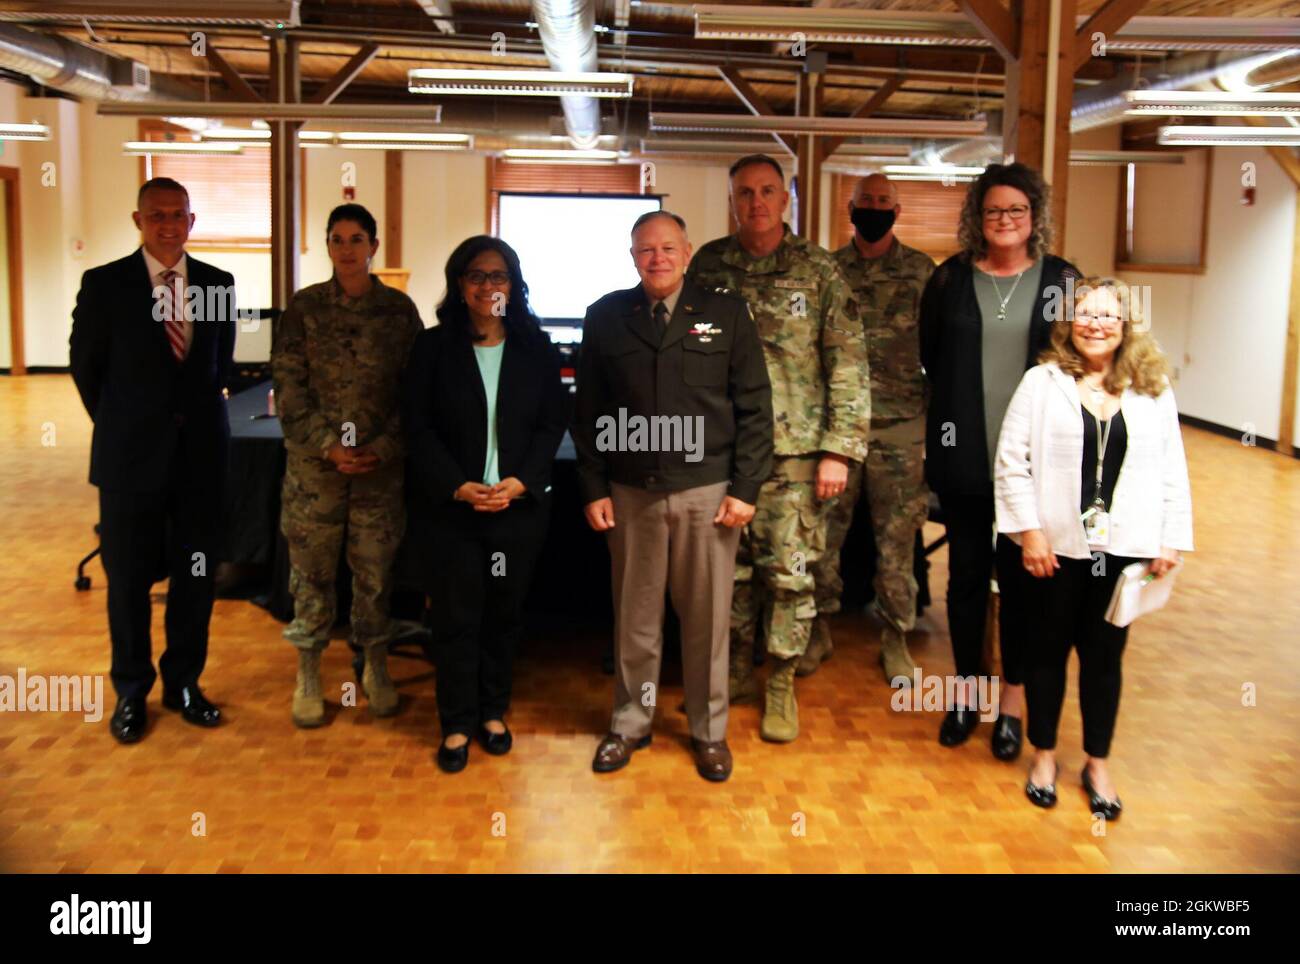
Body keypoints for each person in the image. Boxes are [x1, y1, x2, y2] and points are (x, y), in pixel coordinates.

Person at [574, 211, 773, 781]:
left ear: (688, 252)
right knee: (635, 622)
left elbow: (757, 408)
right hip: (631, 492)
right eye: (645, 250)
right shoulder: (607, 317)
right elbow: (587, 413)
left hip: (707, 495)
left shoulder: (725, 313)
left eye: (667, 248)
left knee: (708, 622)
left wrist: (745, 488)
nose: (656, 258)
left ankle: (709, 732)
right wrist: (592, 486)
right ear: (631, 256)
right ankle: (631, 722)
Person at [688, 155, 870, 743]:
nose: (756, 202)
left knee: (790, 575)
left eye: (768, 191)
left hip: (796, 452)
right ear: (732, 200)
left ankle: (781, 679)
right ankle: (738, 668)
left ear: (786, 198)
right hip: (723, 450)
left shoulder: (817, 270)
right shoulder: (710, 264)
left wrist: (838, 450)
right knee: (730, 575)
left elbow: (846, 361)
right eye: (745, 193)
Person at [996, 278, 1192, 819]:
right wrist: (1029, 532)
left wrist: (1171, 538)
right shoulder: (1042, 382)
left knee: (1105, 660)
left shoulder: (1152, 389)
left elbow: (1173, 469)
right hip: (1053, 548)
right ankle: (1044, 756)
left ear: (1126, 325)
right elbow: (1011, 462)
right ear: (1068, 323)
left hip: (1125, 548)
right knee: (1047, 653)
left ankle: (1097, 763)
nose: (1096, 324)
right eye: (1084, 314)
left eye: (1108, 315)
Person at [919, 162, 1082, 758]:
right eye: (993, 211)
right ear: (977, 219)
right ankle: (967, 693)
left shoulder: (1062, 279)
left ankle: (1011, 703)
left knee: (1020, 588)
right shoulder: (950, 280)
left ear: (1033, 216)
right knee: (964, 580)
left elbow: (1081, 361)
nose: (1005, 220)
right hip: (963, 455)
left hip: (1036, 468)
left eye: (1016, 210)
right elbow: (932, 357)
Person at [69, 176, 235, 743]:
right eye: (157, 214)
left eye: (179, 214)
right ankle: (132, 692)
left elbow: (219, 368)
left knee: (195, 578)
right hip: (129, 464)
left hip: (199, 463)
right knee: (129, 581)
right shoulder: (106, 285)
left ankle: (185, 683)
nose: (169, 224)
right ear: (138, 221)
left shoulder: (217, 284)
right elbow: (87, 371)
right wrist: (124, 426)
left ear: (192, 221)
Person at [403, 236, 566, 774]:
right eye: (477, 275)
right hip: (452, 512)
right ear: (459, 284)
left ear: (513, 285)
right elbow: (417, 429)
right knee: (454, 618)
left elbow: (551, 425)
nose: (488, 286)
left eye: (499, 276)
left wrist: (522, 481)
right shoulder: (431, 349)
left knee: (502, 615)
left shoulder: (536, 348)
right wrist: (456, 484)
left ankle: (492, 712)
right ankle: (455, 721)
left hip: (517, 509)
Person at [272, 203, 423, 728]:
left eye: (357, 239)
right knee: (310, 575)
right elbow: (288, 388)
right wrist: (327, 445)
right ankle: (309, 670)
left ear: (373, 246)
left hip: (379, 471)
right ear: (328, 246)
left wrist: (383, 445)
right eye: (337, 239)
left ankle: (375, 664)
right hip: (318, 472)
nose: (347, 249)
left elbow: (417, 395)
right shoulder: (305, 308)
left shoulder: (400, 313)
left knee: (375, 574)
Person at [810, 172, 934, 684]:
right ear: (852, 209)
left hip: (900, 425)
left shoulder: (923, 272)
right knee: (823, 534)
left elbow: (942, 348)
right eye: (867, 202)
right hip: (838, 427)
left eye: (884, 202)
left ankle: (895, 636)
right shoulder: (829, 270)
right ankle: (817, 626)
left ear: (898, 212)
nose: (875, 209)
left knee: (897, 542)